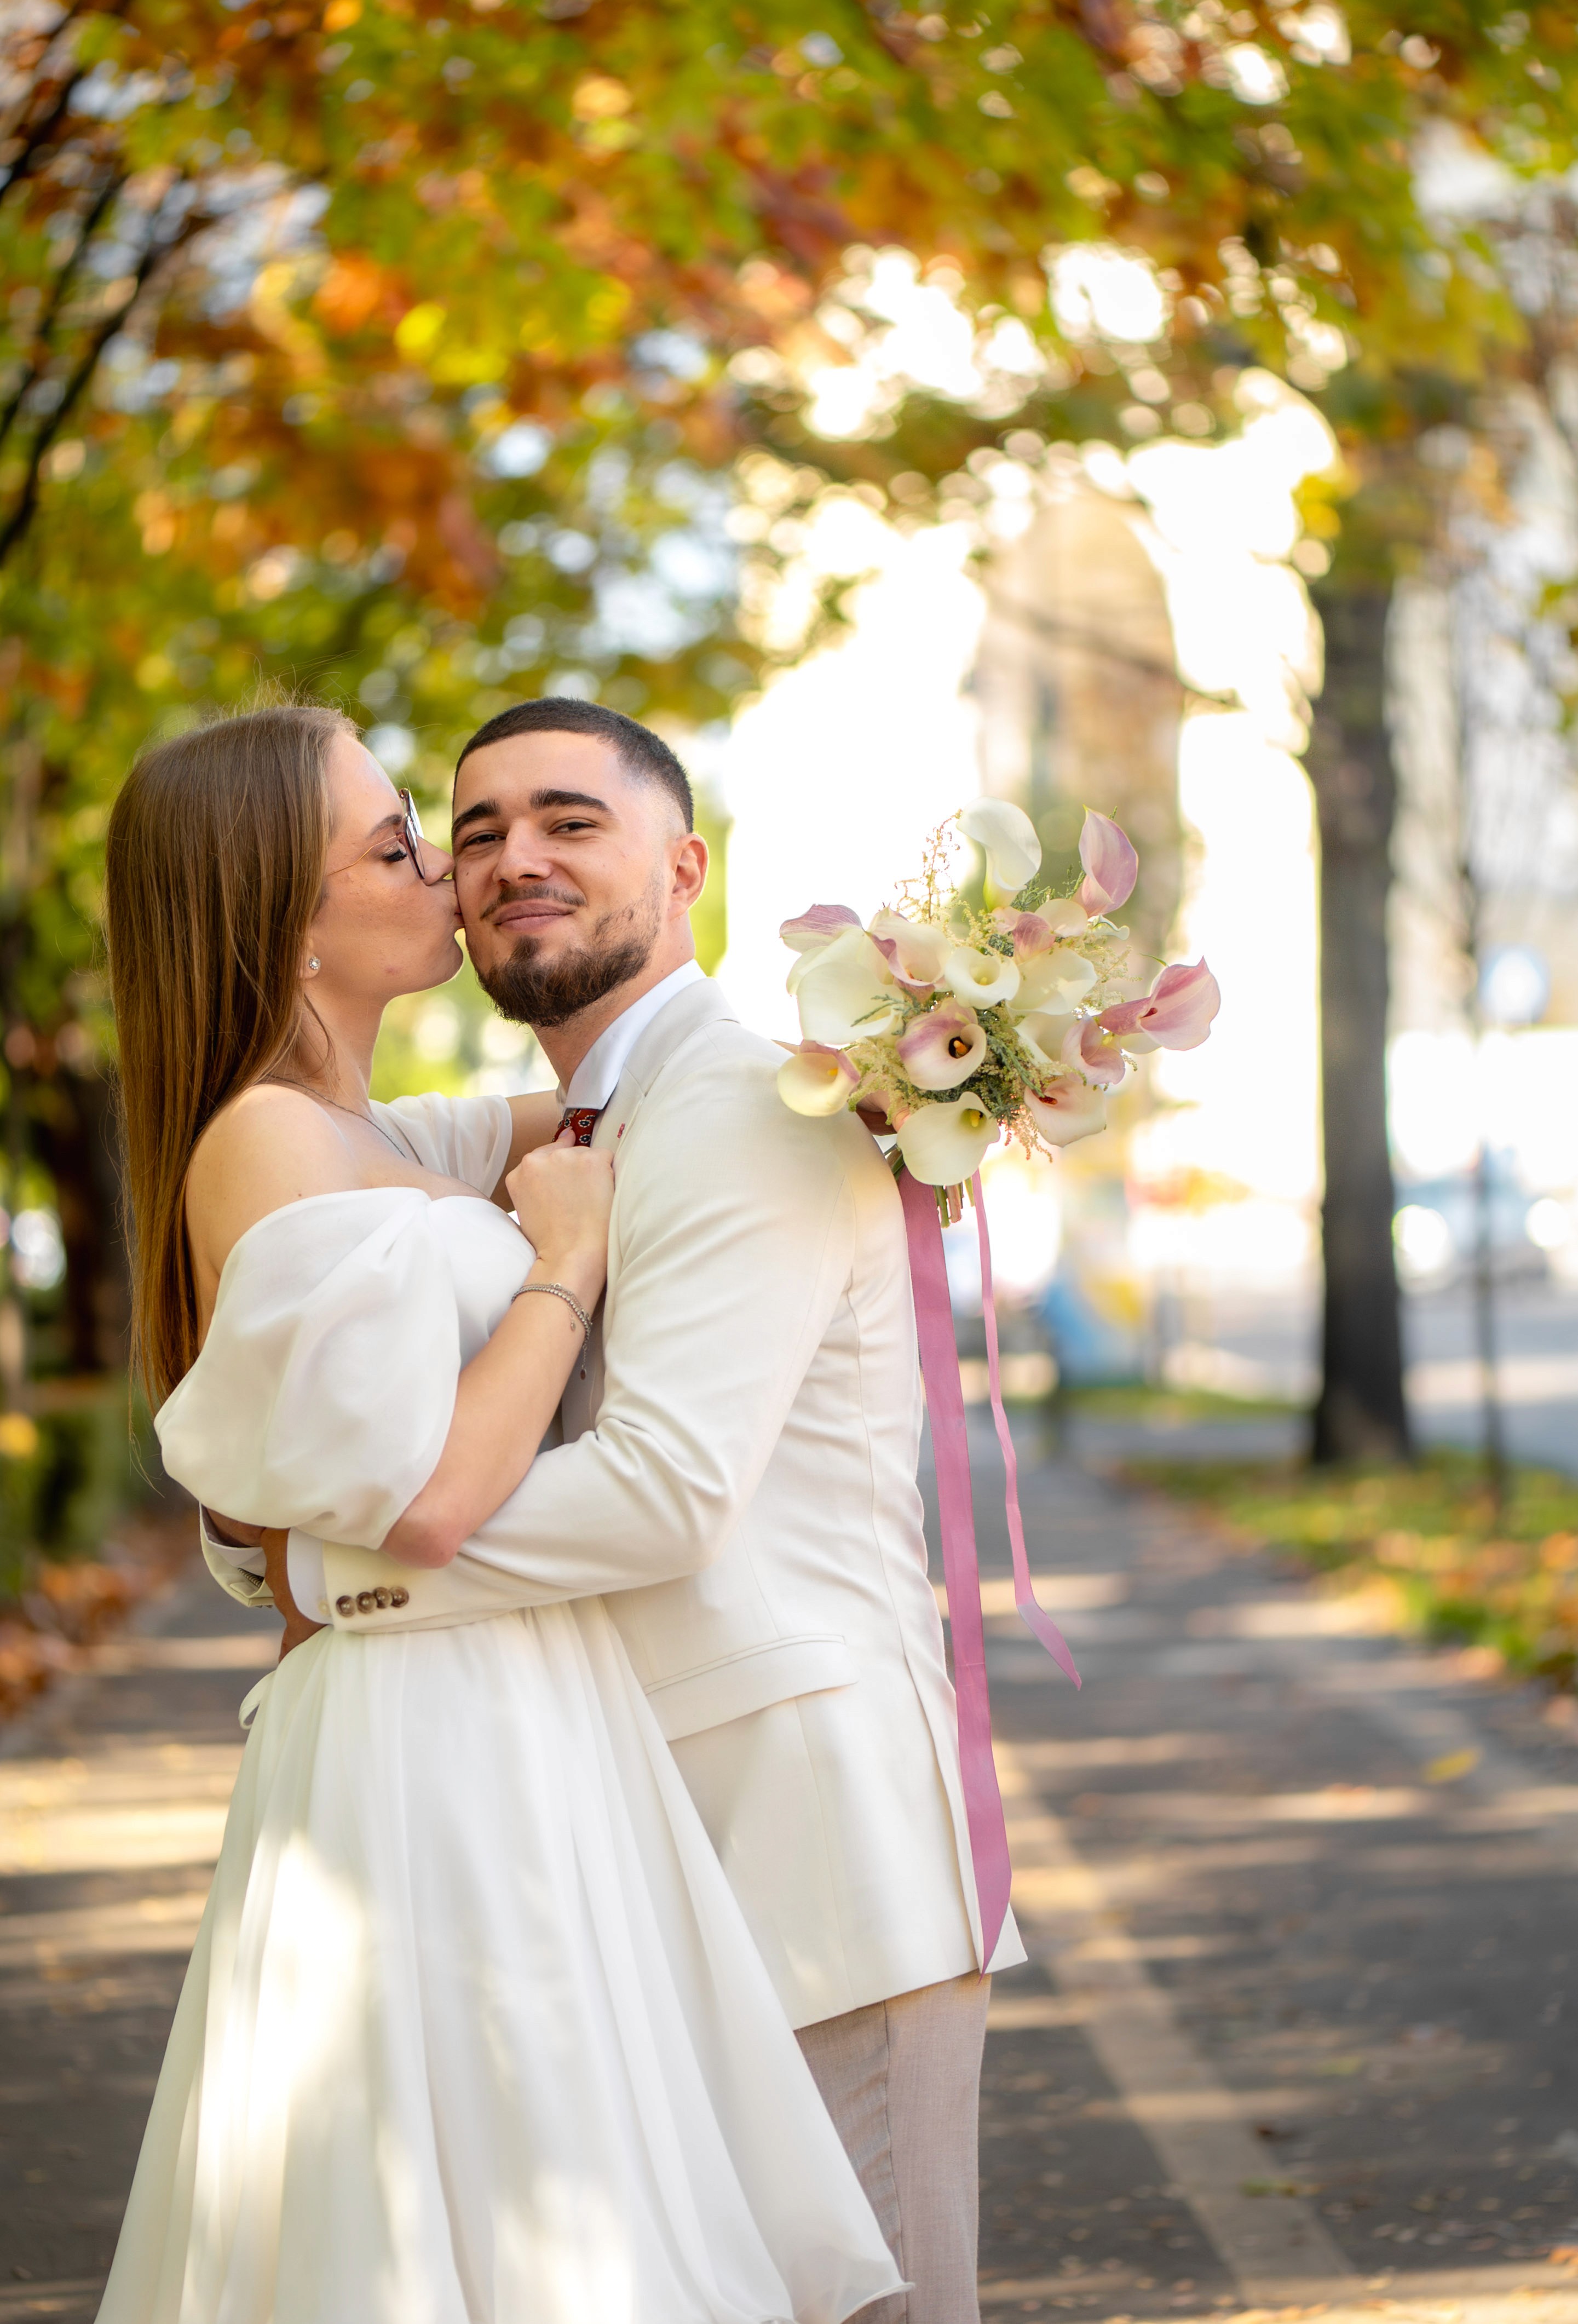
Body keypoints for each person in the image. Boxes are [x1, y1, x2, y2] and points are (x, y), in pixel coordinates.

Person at [95, 704, 904, 2324]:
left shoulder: (382, 1135)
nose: (461, 876)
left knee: (564, 2198)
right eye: (408, 844)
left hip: (532, 1725)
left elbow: (645, 1084)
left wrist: (901, 1050)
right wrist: (563, 1258)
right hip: (427, 1737)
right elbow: (439, 1494)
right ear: (284, 907)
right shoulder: (271, 1137)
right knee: (476, 2183)